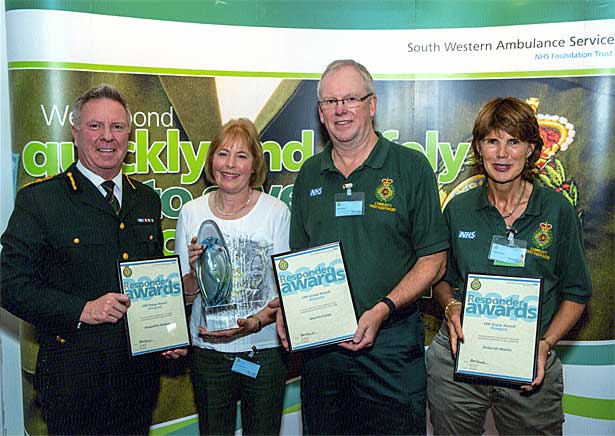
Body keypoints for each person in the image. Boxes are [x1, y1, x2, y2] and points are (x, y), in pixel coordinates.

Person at [277, 59, 448, 435]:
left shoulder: (410, 167)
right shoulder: (309, 174)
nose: (341, 109)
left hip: (391, 347)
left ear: (372, 104)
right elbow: (299, 261)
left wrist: (383, 309)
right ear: (321, 113)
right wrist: (287, 310)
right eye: (331, 101)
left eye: (351, 98)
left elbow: (434, 258)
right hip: (324, 352)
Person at [0, 84, 175, 435]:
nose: (107, 137)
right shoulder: (42, 200)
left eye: (117, 127)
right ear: (76, 134)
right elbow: (8, 284)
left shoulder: (146, 200)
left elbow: (149, 279)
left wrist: (167, 332)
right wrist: (82, 310)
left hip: (137, 382)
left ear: (129, 136)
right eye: (95, 126)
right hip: (72, 383)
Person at [426, 97, 592, 435]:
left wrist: (544, 346)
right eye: (492, 141)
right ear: (479, 147)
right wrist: (452, 305)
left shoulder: (556, 210)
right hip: (459, 363)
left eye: (513, 141)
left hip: (529, 365)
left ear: (531, 148)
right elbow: (442, 279)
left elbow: (577, 293)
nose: (502, 154)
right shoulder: (458, 209)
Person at [175, 118, 290, 435]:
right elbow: (184, 295)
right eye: (223, 154)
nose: (230, 164)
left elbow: (284, 289)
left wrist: (255, 321)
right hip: (208, 352)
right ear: (211, 160)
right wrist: (196, 274)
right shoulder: (191, 212)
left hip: (262, 352)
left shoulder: (276, 212)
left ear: (255, 165)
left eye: (241, 156)